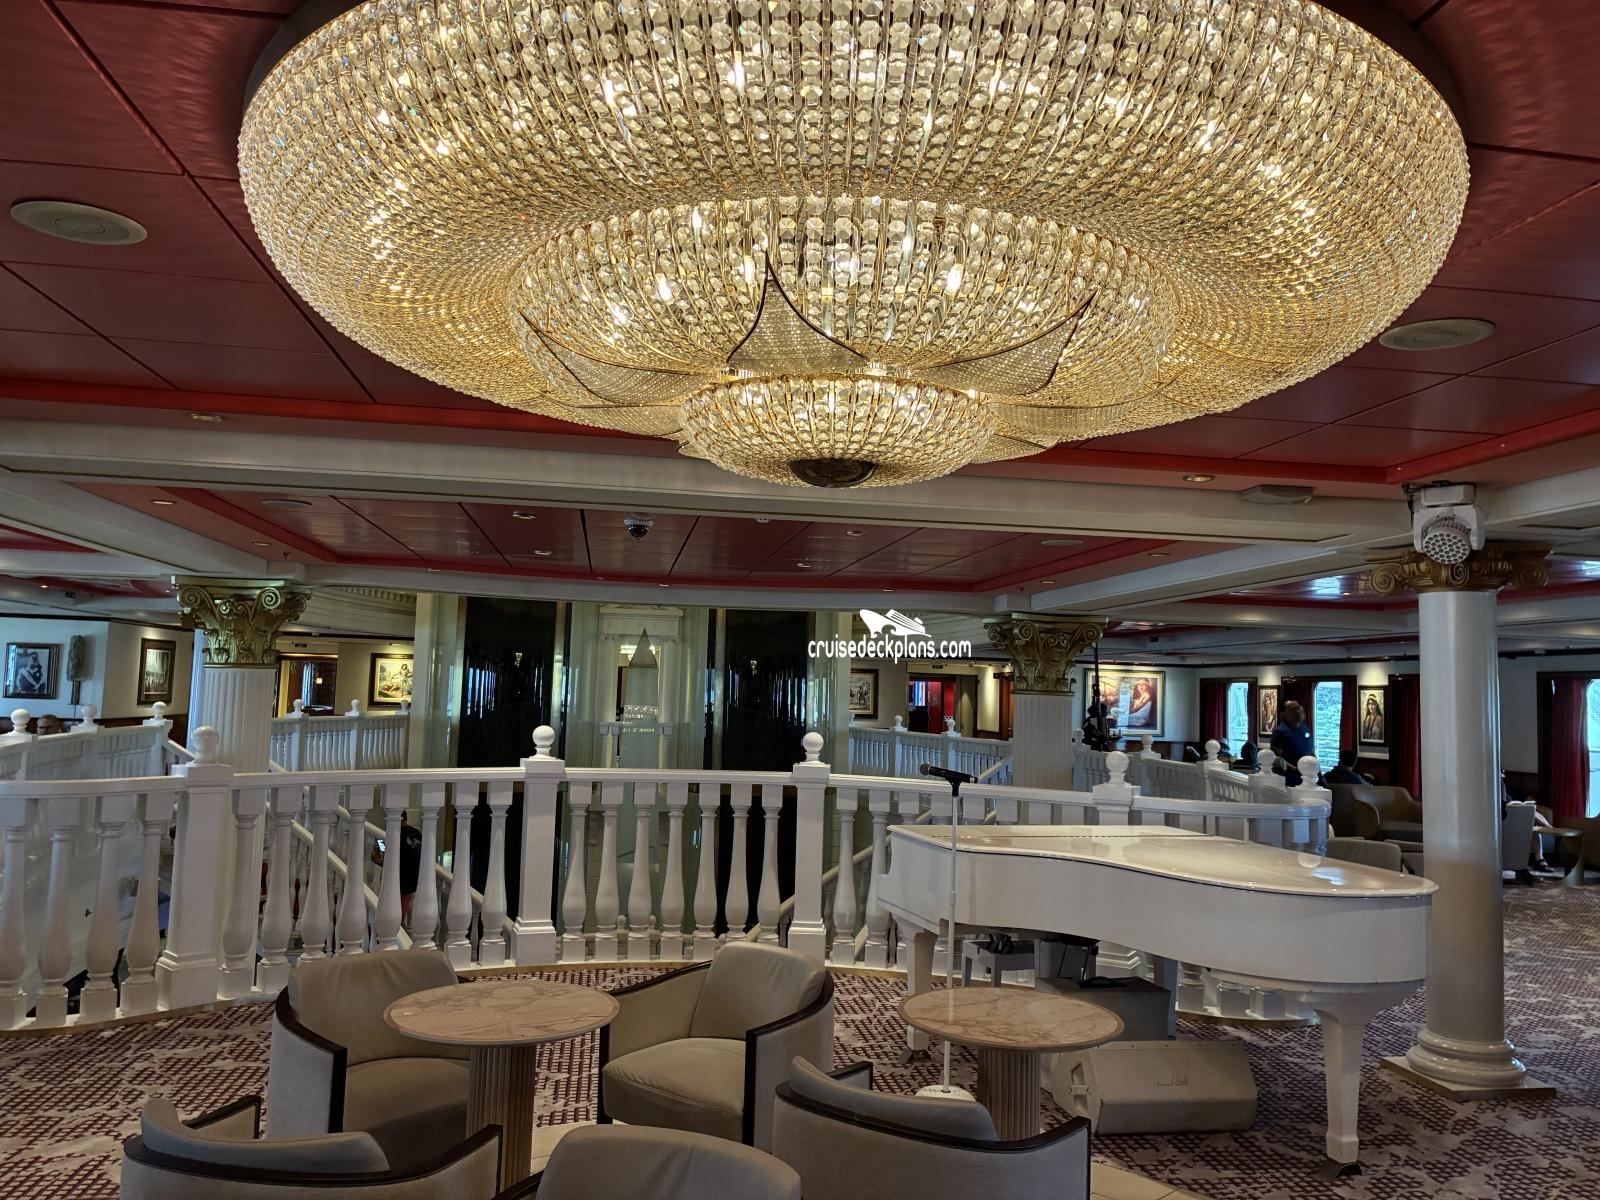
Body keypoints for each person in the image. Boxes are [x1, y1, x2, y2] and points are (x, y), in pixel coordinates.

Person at [1270, 700, 1314, 786]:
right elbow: (1276, 757)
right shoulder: (1280, 731)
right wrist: (1296, 770)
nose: (1297, 711)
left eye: (1298, 708)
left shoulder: (1305, 729)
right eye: (1292, 709)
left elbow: (1310, 751)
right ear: (1284, 714)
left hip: (1308, 777)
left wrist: (1319, 773)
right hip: (1290, 778)